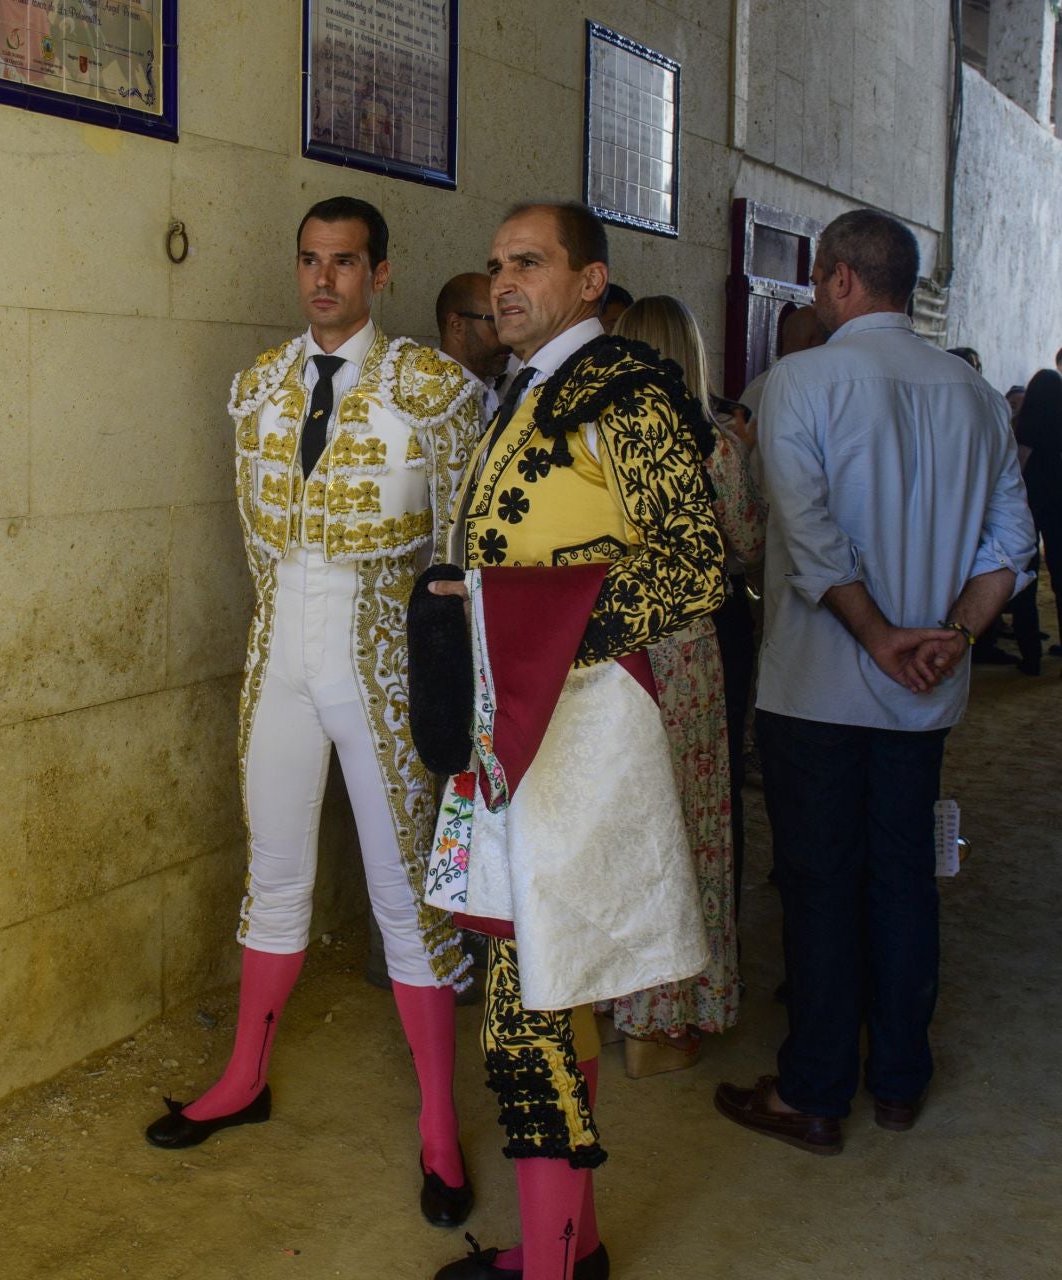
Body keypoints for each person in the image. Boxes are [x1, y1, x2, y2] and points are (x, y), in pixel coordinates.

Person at [145, 197, 485, 1232]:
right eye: (309, 260)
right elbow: (256, 542)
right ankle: (243, 1075)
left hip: (383, 660)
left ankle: (438, 1123)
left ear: (381, 273)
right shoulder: (256, 387)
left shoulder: (437, 390)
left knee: (403, 894)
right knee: (276, 870)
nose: (323, 279)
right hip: (280, 651)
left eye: (344, 262)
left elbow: (467, 546)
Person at [426, 203, 725, 1280]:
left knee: (533, 1004)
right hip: (519, 726)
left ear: (590, 280)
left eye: (530, 263)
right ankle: (573, 1244)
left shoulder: (625, 393)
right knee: (538, 982)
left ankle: (553, 1268)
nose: (503, 281)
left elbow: (694, 563)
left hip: (578, 722)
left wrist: (540, 629)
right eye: (498, 263)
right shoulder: (530, 392)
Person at [716, 208, 1035, 1155]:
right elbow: (1013, 544)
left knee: (819, 886)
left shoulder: (798, 383)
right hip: (922, 692)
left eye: (820, 281)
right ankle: (899, 1079)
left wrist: (881, 634)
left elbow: (811, 539)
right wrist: (949, 637)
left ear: (842, 282)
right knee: (903, 881)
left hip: (817, 686)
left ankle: (814, 1089)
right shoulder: (974, 395)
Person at [601, 295, 763, 1076]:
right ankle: (661, 1024)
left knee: (615, 827)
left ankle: (604, 997)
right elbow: (745, 545)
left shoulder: (589, 442)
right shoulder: (715, 448)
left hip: (604, 651)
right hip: (687, 654)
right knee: (688, 829)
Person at [1008, 369, 1062, 672]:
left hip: (1028, 507)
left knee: (1026, 580)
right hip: (1059, 509)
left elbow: (1017, 470)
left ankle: (1031, 657)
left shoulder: (1025, 428)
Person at [436, 271, 509, 422]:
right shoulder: (427, 398)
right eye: (495, 322)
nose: (507, 337)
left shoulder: (498, 389)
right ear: (457, 326)